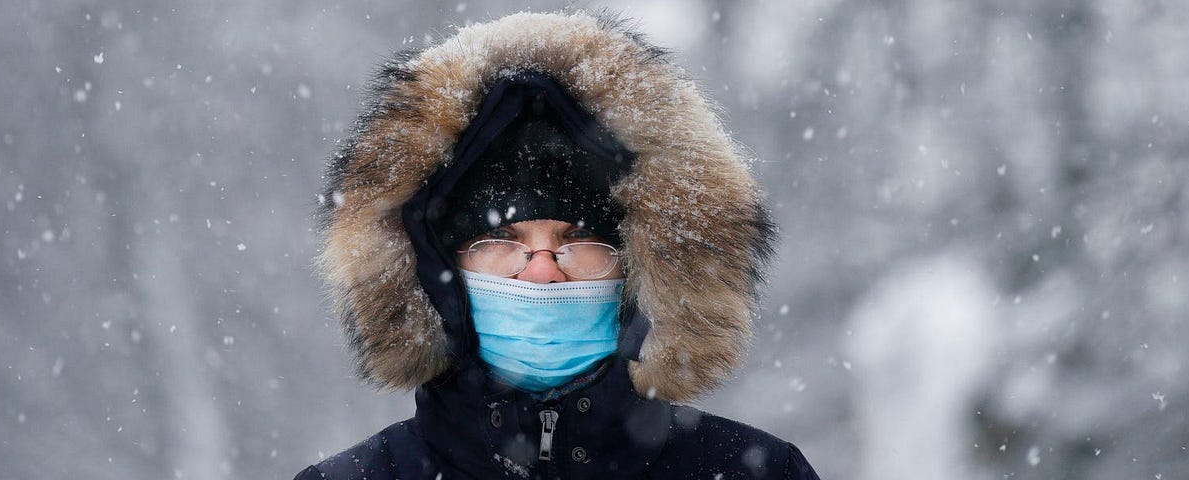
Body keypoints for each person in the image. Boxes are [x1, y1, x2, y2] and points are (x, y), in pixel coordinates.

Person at [300, 11, 820, 479]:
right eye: (501, 239)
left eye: (579, 240)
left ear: (643, 271)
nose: (543, 274)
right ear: (437, 267)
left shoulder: (759, 473)